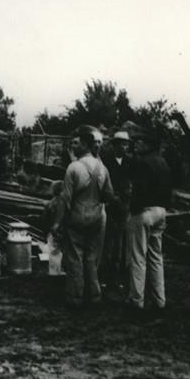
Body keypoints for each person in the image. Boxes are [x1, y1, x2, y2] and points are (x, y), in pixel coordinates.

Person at [52, 125, 114, 307]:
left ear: (85, 145)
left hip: (77, 219)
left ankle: (75, 297)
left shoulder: (74, 168)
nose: (74, 147)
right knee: (91, 257)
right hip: (96, 217)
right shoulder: (102, 168)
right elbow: (109, 195)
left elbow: (65, 199)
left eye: (77, 144)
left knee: (75, 257)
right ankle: (94, 295)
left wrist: (57, 223)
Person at [125, 133, 173, 320]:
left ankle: (136, 301)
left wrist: (133, 210)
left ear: (149, 145)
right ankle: (159, 301)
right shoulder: (163, 163)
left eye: (141, 141)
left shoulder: (142, 162)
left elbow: (139, 190)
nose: (137, 144)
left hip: (144, 211)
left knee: (138, 257)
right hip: (161, 210)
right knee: (156, 258)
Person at [100, 130, 133, 294]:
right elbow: (104, 183)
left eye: (125, 144)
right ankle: (106, 276)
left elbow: (133, 183)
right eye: (119, 144)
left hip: (125, 206)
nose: (123, 147)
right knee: (108, 242)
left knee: (122, 242)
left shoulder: (131, 162)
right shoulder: (106, 162)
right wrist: (112, 198)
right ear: (114, 145)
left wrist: (127, 196)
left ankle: (119, 277)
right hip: (111, 204)